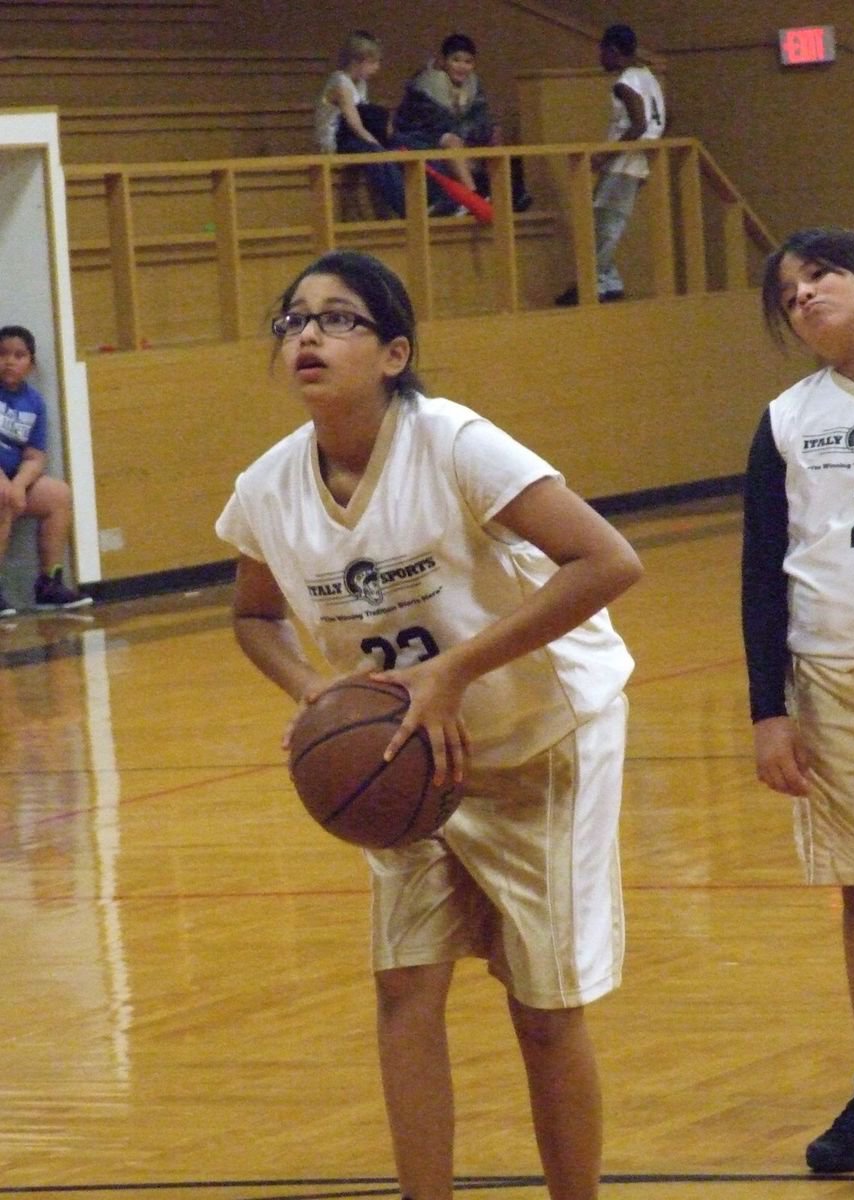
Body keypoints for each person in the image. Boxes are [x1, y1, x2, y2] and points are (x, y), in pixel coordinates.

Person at [215, 249, 642, 1199]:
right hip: (406, 762)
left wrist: (454, 670)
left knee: (542, 1007)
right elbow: (253, 615)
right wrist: (314, 697)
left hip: (539, 738)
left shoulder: (454, 443)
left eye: (337, 318)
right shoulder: (266, 488)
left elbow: (608, 561)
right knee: (406, 984)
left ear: (395, 351)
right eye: (291, 321)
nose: (307, 335)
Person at [742, 227, 854, 1174]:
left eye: (820, 276)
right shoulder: (786, 418)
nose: (802, 297)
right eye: (788, 294)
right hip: (831, 679)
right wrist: (770, 708)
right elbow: (763, 570)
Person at [556, 25, 665, 306]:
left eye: (602, 51)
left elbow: (639, 124)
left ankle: (588, 284)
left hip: (623, 163)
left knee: (604, 225)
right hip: (640, 160)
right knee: (604, 220)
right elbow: (662, 119)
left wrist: (606, 155)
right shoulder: (648, 76)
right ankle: (609, 281)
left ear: (613, 51)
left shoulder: (625, 82)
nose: (600, 57)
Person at [0, 325, 92, 616]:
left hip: (13, 480)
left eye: (19, 355)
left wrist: (19, 484)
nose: (10, 361)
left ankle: (49, 584)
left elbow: (35, 456)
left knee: (58, 494)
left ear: (31, 362)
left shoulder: (35, 403)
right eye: (2, 354)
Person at [393, 33, 532, 216]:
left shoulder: (473, 86)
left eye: (468, 62)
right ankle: (473, 197)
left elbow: (481, 122)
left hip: (456, 140)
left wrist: (485, 134)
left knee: (492, 139)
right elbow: (437, 125)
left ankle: (509, 195)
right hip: (418, 139)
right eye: (456, 60)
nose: (462, 67)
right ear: (444, 61)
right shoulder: (427, 85)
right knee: (452, 141)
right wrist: (465, 139)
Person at [313, 30, 405, 217]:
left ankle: (424, 198)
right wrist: (376, 144)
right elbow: (354, 123)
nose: (377, 68)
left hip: (351, 137)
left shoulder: (360, 83)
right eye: (373, 62)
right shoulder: (340, 83)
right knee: (376, 153)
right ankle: (404, 206)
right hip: (335, 140)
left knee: (399, 145)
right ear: (357, 61)